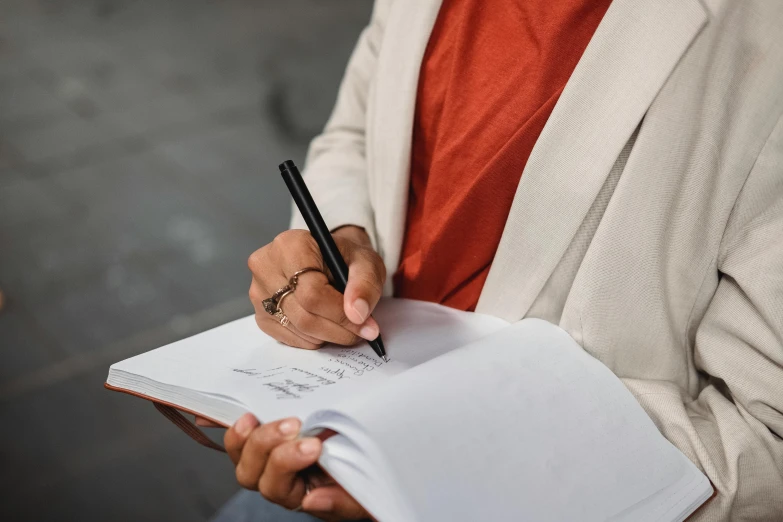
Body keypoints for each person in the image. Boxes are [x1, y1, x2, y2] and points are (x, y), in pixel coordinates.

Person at [210, 0, 783, 520]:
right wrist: (340, 234)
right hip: (348, 428)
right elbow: (357, 130)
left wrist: (454, 486)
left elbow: (765, 444)